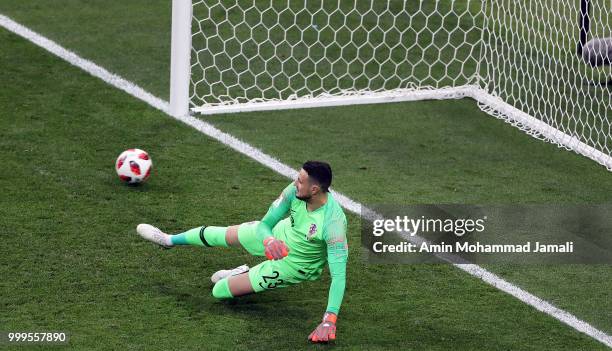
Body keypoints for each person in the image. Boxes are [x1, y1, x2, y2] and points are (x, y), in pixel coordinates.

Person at [136, 161, 348, 343]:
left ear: (314, 190)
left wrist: (329, 320)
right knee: (222, 235)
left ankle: (238, 274)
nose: (295, 182)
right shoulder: (294, 192)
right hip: (277, 234)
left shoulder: (333, 224)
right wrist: (270, 239)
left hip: (294, 265)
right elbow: (266, 224)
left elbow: (338, 277)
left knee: (219, 290)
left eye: (301, 181)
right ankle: (169, 239)